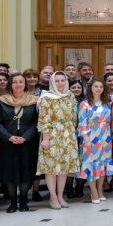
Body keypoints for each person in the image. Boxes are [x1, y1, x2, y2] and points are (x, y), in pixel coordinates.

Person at [0, 72, 39, 213]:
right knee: (9, 172)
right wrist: (8, 136)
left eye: (21, 82)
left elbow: (37, 121)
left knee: (26, 171)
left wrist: (26, 136)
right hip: (7, 142)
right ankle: (13, 202)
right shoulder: (1, 100)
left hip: (28, 142)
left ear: (25, 84)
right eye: (15, 82)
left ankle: (24, 200)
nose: (18, 84)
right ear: (10, 84)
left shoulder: (34, 100)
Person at [37, 71, 79, 210]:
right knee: (51, 168)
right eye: (57, 81)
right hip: (53, 134)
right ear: (52, 82)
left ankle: (60, 195)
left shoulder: (70, 96)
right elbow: (43, 119)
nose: (60, 83)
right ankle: (53, 197)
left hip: (68, 134)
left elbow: (74, 117)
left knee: (64, 168)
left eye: (63, 80)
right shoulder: (46, 98)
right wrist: (46, 138)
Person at [77, 79, 113, 203]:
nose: (98, 89)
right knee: (91, 164)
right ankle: (93, 192)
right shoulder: (85, 104)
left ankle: (100, 190)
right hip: (91, 137)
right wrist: (86, 138)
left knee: (103, 163)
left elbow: (111, 120)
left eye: (101, 87)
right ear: (91, 88)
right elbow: (82, 123)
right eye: (96, 86)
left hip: (106, 137)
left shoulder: (106, 103)